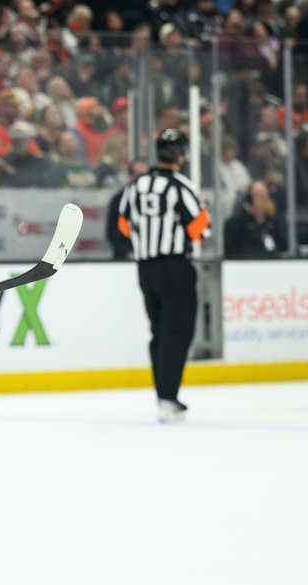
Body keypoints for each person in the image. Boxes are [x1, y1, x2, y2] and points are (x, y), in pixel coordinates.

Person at [117, 129, 210, 423]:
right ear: (181, 156)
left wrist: (145, 239)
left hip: (146, 270)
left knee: (159, 332)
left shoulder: (136, 186)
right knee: (178, 332)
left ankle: (164, 395)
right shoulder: (182, 186)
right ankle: (168, 398)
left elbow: (122, 225)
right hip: (175, 268)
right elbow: (200, 230)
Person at [224, 180, 288, 258]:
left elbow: (283, 248)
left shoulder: (274, 224)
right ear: (249, 200)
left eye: (267, 197)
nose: (265, 201)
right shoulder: (235, 225)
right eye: (261, 197)